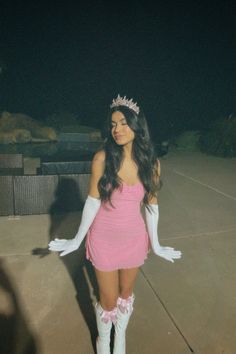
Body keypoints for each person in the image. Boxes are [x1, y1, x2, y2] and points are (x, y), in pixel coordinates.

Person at [48, 94, 182, 354]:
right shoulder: (102, 158)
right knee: (108, 301)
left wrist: (156, 244)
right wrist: (77, 239)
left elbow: (151, 205)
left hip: (133, 239)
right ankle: (102, 340)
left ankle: (119, 338)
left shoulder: (151, 163)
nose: (117, 129)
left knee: (125, 295)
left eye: (123, 123)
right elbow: (92, 202)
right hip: (104, 240)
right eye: (112, 124)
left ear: (136, 126)